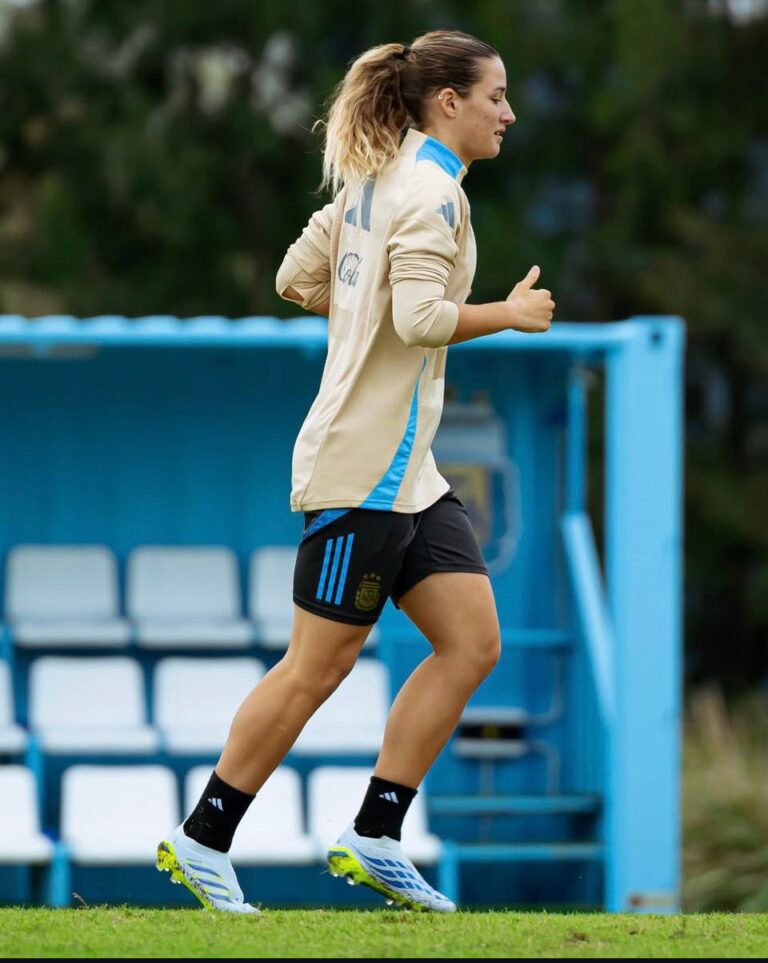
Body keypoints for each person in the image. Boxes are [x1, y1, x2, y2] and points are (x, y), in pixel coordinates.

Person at [156, 28, 553, 914]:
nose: (508, 113)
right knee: (315, 668)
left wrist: (362, 300)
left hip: (412, 473)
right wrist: (512, 313)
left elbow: (296, 278)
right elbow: (417, 320)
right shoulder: (429, 194)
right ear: (448, 102)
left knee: (472, 641)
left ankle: (375, 833)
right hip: (362, 468)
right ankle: (202, 838)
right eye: (496, 96)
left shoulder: (376, 180)